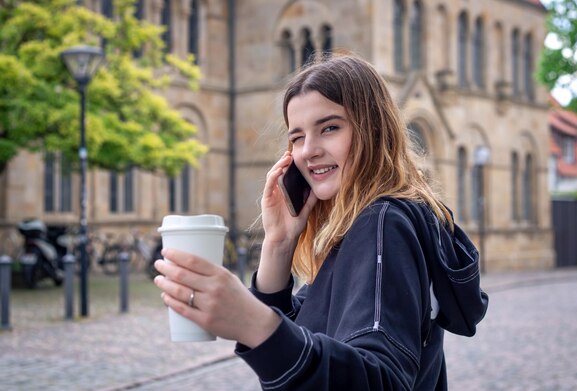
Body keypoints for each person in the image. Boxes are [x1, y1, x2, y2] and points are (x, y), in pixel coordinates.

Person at [153, 53, 487, 390]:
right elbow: (306, 339)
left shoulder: (381, 223)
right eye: (297, 137)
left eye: (329, 128)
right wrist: (279, 244)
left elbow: (382, 379)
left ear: (373, 129)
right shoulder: (361, 225)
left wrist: (253, 322)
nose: (309, 150)